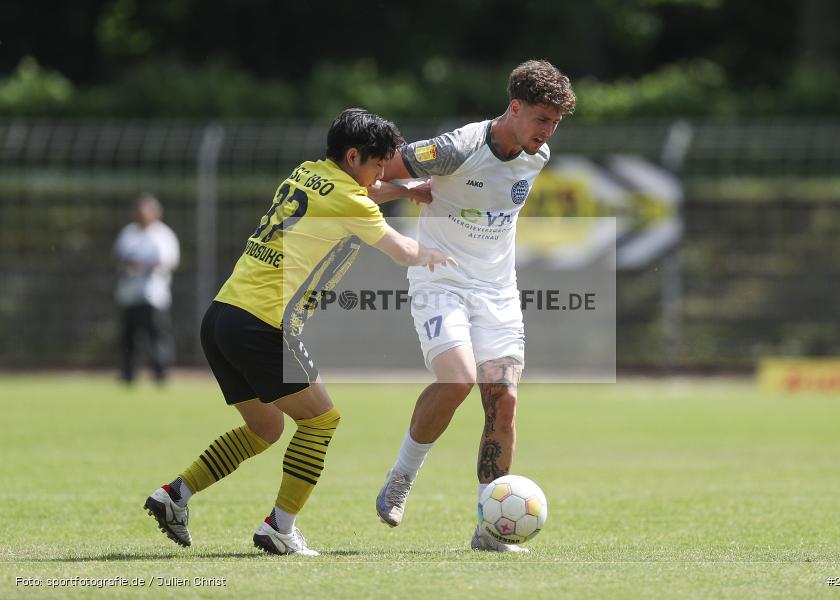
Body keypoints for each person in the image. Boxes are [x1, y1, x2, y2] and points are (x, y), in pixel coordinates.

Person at [144, 108, 455, 556]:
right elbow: (402, 249)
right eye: (377, 164)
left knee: (265, 428)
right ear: (353, 156)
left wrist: (407, 190)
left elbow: (364, 193)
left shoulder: (307, 172)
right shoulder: (351, 202)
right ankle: (280, 527)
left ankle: (175, 494)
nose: (381, 174)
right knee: (321, 420)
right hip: (263, 323)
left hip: (222, 316)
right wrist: (437, 254)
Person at [371, 60, 576, 552]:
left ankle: (489, 527)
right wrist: (408, 189)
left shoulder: (537, 155)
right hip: (440, 280)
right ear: (515, 108)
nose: (547, 132)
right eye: (541, 119)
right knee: (458, 380)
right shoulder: (456, 148)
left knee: (504, 399)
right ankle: (402, 477)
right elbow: (370, 180)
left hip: (498, 291)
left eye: (555, 123)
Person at [113, 194, 180, 384]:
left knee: (157, 335)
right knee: (129, 337)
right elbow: (120, 257)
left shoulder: (163, 235)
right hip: (129, 294)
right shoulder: (128, 233)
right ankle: (128, 374)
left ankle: (161, 373)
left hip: (154, 295)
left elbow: (168, 261)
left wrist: (143, 265)